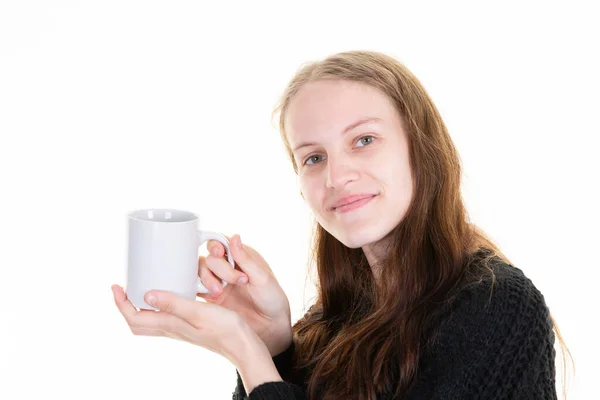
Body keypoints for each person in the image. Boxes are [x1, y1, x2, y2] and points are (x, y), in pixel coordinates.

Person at [112, 50, 567, 399]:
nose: (335, 176)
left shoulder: (497, 306)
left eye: (364, 140)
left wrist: (248, 355)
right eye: (313, 157)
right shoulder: (337, 317)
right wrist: (275, 348)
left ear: (420, 147)